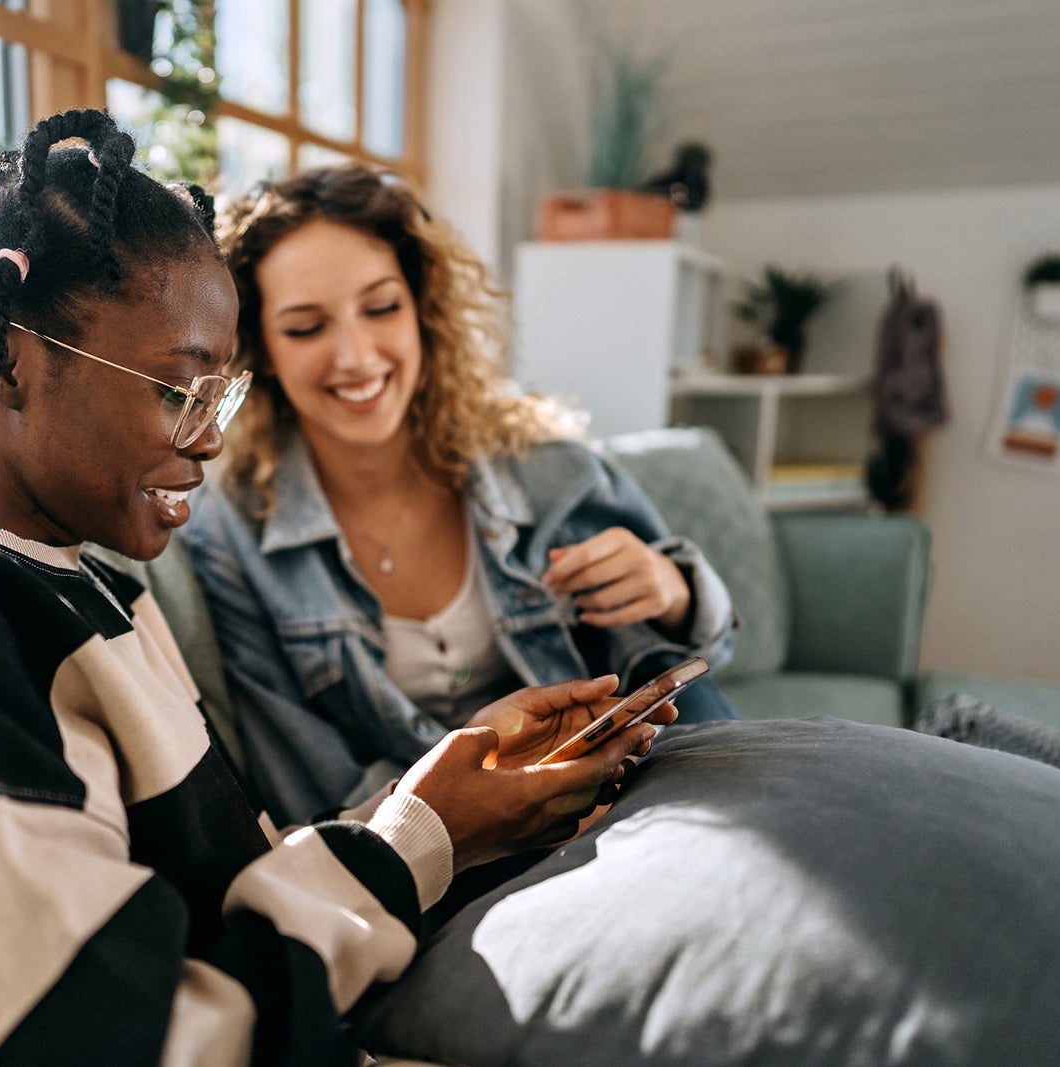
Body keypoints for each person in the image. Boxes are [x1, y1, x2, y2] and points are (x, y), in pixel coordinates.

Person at [0, 111, 668, 1066]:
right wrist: (424, 833)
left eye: (220, 394)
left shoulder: (84, 588)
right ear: (7, 361)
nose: (211, 438)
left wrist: (446, 816)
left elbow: (224, 905)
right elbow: (108, 1037)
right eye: (178, 391)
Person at [182, 164, 740, 828]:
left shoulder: (551, 469)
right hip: (451, 854)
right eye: (307, 327)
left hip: (643, 800)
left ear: (422, 308)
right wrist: (504, 813)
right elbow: (312, 787)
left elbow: (686, 675)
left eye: (382, 307)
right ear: (263, 348)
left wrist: (674, 591)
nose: (356, 356)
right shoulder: (229, 538)